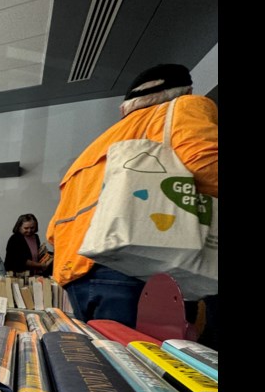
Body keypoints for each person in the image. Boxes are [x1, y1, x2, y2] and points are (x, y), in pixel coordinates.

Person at [46, 63, 218, 326]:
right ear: (185, 91)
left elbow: (53, 232)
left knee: (99, 361)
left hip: (76, 273)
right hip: (135, 266)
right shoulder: (183, 107)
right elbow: (206, 166)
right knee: (146, 363)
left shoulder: (96, 145)